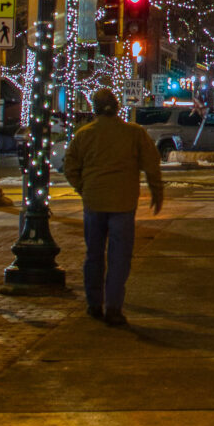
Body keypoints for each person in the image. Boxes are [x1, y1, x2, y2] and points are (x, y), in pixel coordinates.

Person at [62, 86, 165, 326]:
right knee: (120, 256)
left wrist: (83, 188)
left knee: (94, 255)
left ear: (94, 108)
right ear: (117, 107)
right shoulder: (134, 133)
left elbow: (70, 166)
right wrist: (156, 192)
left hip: (94, 202)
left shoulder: (84, 134)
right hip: (123, 202)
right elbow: (151, 164)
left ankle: (93, 303)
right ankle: (114, 307)